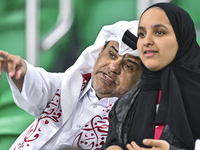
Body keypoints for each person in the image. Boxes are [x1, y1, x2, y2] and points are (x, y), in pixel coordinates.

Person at [0, 20, 142, 150]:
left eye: (128, 66)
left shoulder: (131, 123)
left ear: (141, 79)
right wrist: (21, 72)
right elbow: (38, 85)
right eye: (111, 55)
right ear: (99, 53)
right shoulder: (68, 84)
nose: (113, 67)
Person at [102, 2, 200, 150]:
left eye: (159, 32)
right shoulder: (125, 103)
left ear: (181, 37)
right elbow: (113, 142)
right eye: (142, 34)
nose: (147, 41)